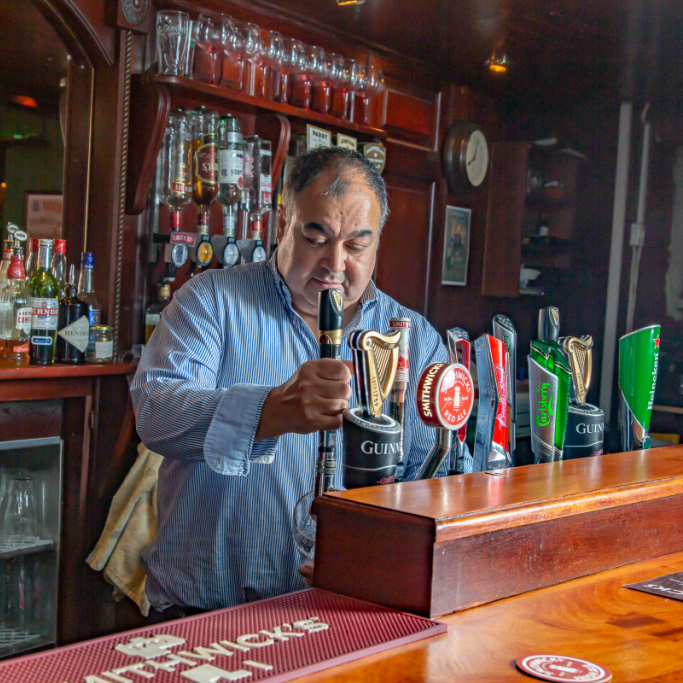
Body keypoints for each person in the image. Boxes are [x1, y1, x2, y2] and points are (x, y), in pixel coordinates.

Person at [131, 147, 464, 620]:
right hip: (205, 613)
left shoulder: (409, 335)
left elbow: (438, 477)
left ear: (378, 242)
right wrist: (271, 411)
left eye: (356, 246)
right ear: (283, 220)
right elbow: (155, 413)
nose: (334, 263)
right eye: (316, 237)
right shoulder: (211, 302)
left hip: (350, 614)